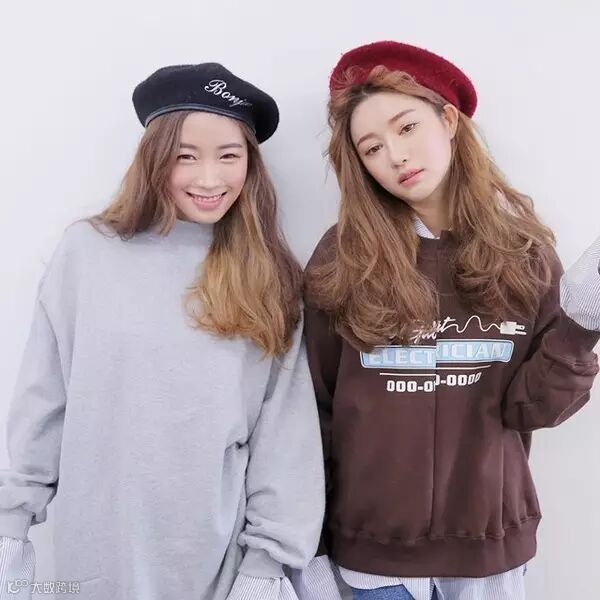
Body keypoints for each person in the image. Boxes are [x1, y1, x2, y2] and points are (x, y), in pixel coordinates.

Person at [0, 62, 325, 600]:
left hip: (215, 564)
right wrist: (12, 522)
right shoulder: (88, 253)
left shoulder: (269, 275)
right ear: (154, 159)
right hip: (94, 552)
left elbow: (285, 434)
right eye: (185, 156)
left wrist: (266, 565)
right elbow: (45, 395)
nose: (209, 179)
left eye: (229, 156)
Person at [296, 41, 600, 600]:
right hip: (373, 561)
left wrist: (580, 328)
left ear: (449, 120)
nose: (395, 155)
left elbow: (533, 409)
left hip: (490, 557)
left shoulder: (524, 253)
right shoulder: (341, 258)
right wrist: (307, 545)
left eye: (407, 127)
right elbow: (313, 409)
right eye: (372, 147)